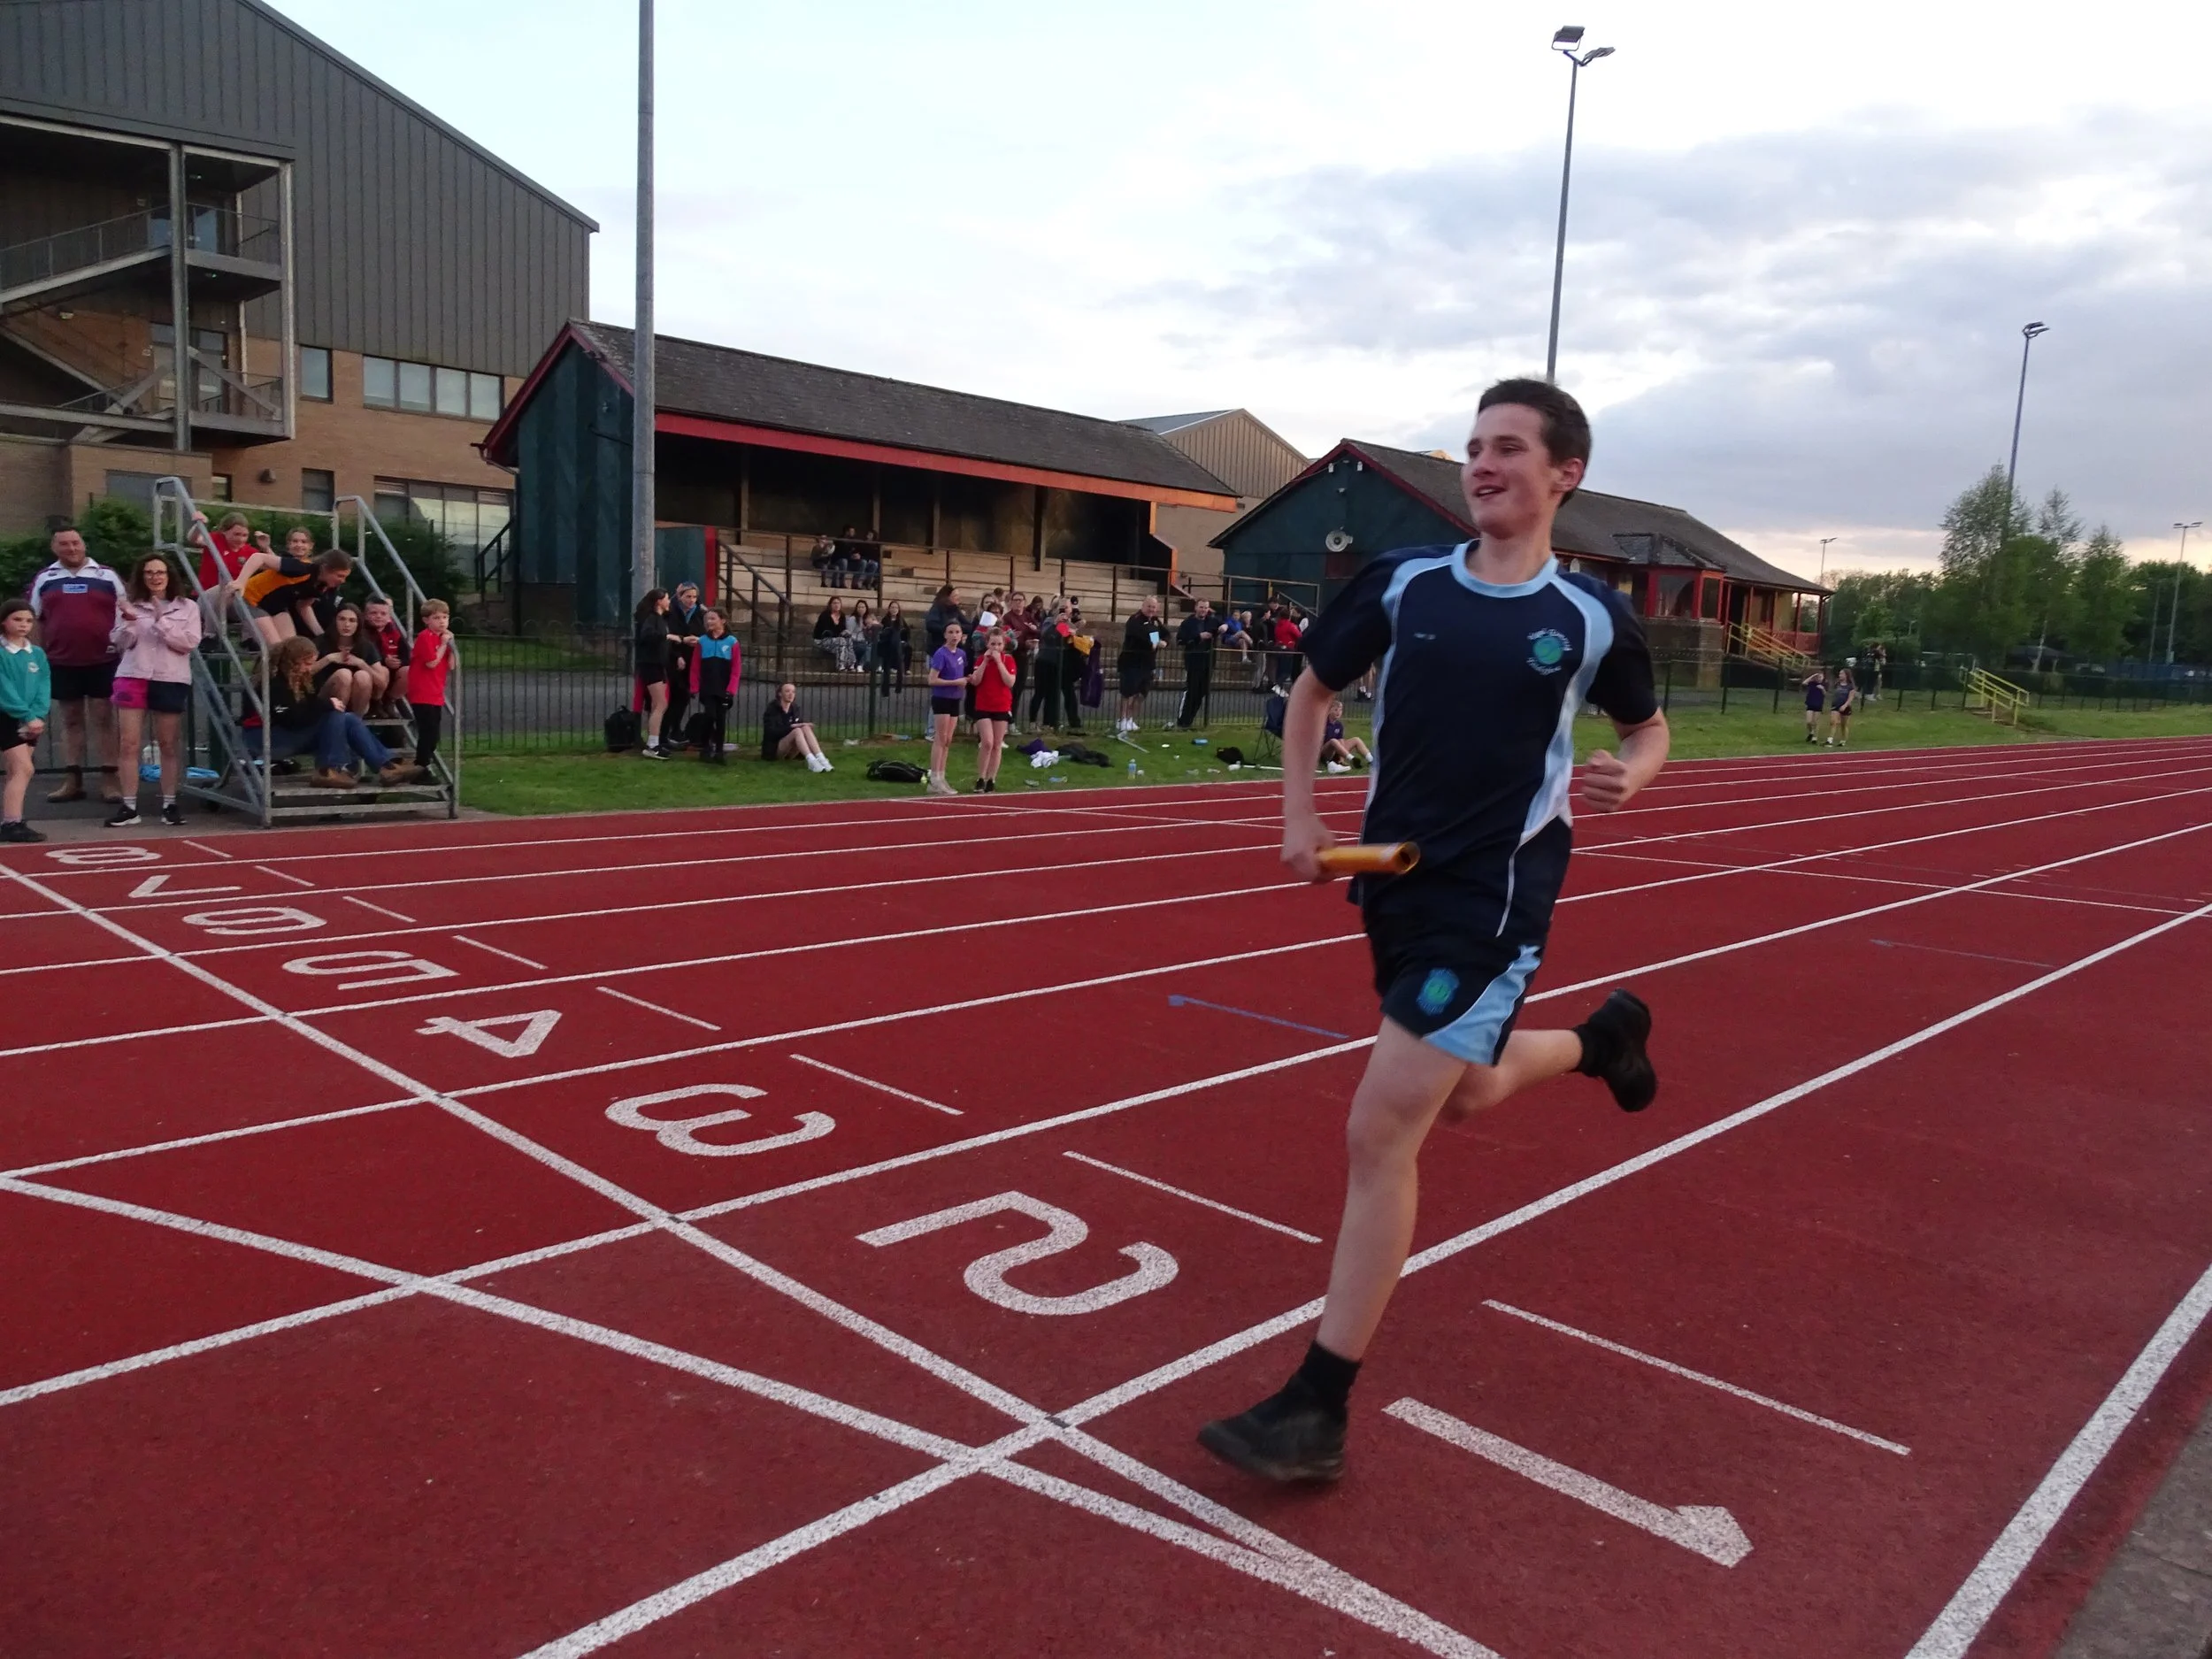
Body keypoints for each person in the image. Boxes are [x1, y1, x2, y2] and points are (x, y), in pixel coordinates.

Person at [1197, 378, 1670, 1486]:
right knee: (1460, 1091)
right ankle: (1601, 1044)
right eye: (1473, 448)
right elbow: (1310, 692)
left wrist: (1630, 777)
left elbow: (1648, 732)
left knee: (1380, 1131)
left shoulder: (1589, 616)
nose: (1483, 464)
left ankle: (1318, 1406)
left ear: (1566, 474)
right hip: (1392, 883)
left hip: (1494, 899)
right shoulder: (1403, 584)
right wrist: (1303, 815)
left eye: (1509, 448)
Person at [29, 524, 127, 805]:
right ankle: (72, 781)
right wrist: (37, 658)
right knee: (70, 721)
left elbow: (127, 612)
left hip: (104, 660)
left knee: (104, 720)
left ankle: (110, 779)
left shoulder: (107, 575)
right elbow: (34, 618)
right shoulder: (45, 577)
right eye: (64, 544)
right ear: (54, 547)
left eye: (75, 543)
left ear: (83, 544)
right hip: (62, 661)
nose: (71, 548)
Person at [104, 553, 204, 828]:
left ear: (169, 576)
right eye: (149, 573)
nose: (155, 577)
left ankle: (169, 803)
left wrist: (162, 621)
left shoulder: (187, 607)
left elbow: (188, 643)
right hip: (133, 674)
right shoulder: (130, 604)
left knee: (168, 743)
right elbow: (121, 641)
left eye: (160, 572)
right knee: (129, 743)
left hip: (169, 677)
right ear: (142, 577)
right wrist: (128, 622)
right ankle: (129, 806)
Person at [265, 636, 426, 790]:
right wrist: (326, 706)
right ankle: (329, 769)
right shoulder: (274, 683)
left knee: (347, 717)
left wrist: (324, 706)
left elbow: (307, 708)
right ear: (292, 662)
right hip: (268, 736)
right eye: (306, 664)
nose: (309, 669)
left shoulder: (299, 680)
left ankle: (386, 767)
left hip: (292, 731)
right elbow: (290, 719)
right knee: (334, 714)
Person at [231, 534, 350, 647]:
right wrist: (241, 581)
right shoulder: (301, 568)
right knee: (277, 647)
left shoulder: (322, 585)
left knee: (292, 648)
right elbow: (259, 557)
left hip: (275, 606)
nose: (343, 581)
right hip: (252, 599)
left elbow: (303, 606)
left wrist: (320, 635)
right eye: (340, 576)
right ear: (325, 569)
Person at [0, 598, 52, 842]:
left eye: (28, 621)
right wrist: (26, 715)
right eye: (17, 619)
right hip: (8, 716)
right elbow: (4, 689)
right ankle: (12, 823)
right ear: (4, 621)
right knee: (24, 768)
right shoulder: (2, 653)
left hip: (32, 718)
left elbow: (44, 683)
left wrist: (39, 714)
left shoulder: (37, 653)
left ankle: (11, 819)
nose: (23, 625)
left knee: (17, 771)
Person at [405, 599, 454, 772]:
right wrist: (443, 644)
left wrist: (451, 646)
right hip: (422, 692)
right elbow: (432, 662)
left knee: (434, 734)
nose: (442, 621)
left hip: (436, 693)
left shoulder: (442, 638)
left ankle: (422, 764)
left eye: (445, 617)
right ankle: (421, 765)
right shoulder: (425, 637)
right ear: (427, 620)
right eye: (436, 618)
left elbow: (451, 665)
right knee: (427, 731)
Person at [968, 625, 1016, 792]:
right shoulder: (981, 660)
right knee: (987, 742)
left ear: (1003, 645)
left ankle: (991, 779)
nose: (996, 648)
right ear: (987, 644)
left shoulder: (1008, 660)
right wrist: (986, 662)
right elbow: (975, 681)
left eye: (999, 644)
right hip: (983, 704)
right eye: (993, 644)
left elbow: (1010, 682)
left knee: (997, 744)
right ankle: (981, 776)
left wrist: (998, 661)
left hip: (1001, 705)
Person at [925, 619, 968, 797]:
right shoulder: (940, 654)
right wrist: (954, 682)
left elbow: (961, 674)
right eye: (950, 632)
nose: (954, 636)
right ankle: (935, 778)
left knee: (948, 740)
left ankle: (941, 776)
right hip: (941, 698)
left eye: (957, 632)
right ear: (945, 635)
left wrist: (966, 680)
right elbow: (932, 680)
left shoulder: (961, 654)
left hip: (955, 699)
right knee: (940, 739)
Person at [311, 603, 378, 716]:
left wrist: (361, 664)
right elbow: (303, 672)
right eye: (342, 619)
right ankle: (339, 720)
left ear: (358, 624)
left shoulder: (366, 645)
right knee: (344, 674)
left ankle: (357, 720)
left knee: (363, 675)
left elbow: (381, 682)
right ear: (335, 621)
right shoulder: (321, 641)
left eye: (352, 621)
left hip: (358, 701)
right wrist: (328, 659)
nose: (346, 625)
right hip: (325, 698)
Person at [664, 580, 709, 748]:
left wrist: (699, 640)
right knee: (675, 696)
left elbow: (706, 631)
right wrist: (677, 654)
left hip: (693, 659)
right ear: (680, 596)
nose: (692, 600)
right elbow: (668, 635)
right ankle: (668, 731)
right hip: (674, 659)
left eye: (694, 597)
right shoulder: (670, 612)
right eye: (688, 596)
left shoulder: (700, 612)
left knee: (684, 698)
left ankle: (676, 730)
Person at [695, 608, 741, 762]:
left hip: (723, 687)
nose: (709, 622)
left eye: (713, 619)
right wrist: (694, 686)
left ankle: (719, 751)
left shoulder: (732, 642)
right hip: (708, 687)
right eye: (707, 619)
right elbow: (695, 666)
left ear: (723, 621)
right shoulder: (702, 641)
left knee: (720, 719)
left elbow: (736, 669)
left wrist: (731, 689)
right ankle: (706, 747)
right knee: (710, 716)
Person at [1116, 595, 1166, 733]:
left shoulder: (1155, 622)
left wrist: (1162, 641)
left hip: (1147, 663)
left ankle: (1131, 719)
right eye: (1149, 606)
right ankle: (1122, 719)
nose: (1151, 609)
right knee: (1128, 692)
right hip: (1131, 662)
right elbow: (1139, 634)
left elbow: (1164, 633)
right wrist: (1154, 641)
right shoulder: (1135, 619)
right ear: (1143, 606)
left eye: (1154, 607)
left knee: (1141, 693)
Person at [634, 588, 672, 758]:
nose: (669, 601)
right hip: (652, 665)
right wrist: (668, 636)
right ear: (658, 601)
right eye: (667, 599)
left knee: (660, 704)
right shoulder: (652, 618)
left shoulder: (659, 619)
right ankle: (652, 745)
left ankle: (654, 742)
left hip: (657, 664)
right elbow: (648, 636)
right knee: (660, 704)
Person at [762, 680, 832, 771]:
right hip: (775, 748)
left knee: (805, 727)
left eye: (793, 692)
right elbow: (771, 733)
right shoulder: (772, 709)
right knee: (797, 730)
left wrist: (801, 725)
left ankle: (821, 759)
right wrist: (791, 727)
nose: (791, 694)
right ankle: (811, 761)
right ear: (780, 694)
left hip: (792, 750)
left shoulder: (794, 708)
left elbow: (799, 724)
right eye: (787, 691)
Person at [1175, 598, 1221, 729]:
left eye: (1206, 608)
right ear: (1196, 608)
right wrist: (1198, 637)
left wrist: (1225, 626)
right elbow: (1180, 640)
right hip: (1193, 660)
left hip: (1208, 660)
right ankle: (1183, 721)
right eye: (1201, 607)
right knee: (1192, 690)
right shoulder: (1188, 623)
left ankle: (1188, 721)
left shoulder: (1211, 620)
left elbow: (1160, 632)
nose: (1204, 610)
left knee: (1202, 691)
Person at [360, 595, 410, 715]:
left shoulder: (395, 633)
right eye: (374, 613)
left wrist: (400, 663)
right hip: (370, 675)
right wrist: (384, 661)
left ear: (389, 617)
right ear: (365, 615)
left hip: (392, 675)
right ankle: (375, 703)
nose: (379, 616)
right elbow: (363, 656)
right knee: (382, 670)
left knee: (410, 670)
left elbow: (407, 656)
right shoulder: (361, 632)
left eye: (383, 614)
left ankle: (390, 701)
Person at [1032, 596, 1070, 730]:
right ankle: (1032, 721)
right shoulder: (1049, 620)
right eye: (1063, 608)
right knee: (1040, 692)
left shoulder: (1065, 623)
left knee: (1053, 693)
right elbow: (1045, 635)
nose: (1065, 611)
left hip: (1057, 661)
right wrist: (1055, 623)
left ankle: (1050, 722)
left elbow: (1065, 638)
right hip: (1044, 660)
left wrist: (1072, 628)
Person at [1062, 604, 1093, 733]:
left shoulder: (1152, 622)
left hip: (1073, 662)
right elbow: (1065, 634)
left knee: (1141, 692)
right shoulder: (1058, 622)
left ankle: (1128, 719)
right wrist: (1076, 628)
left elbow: (1156, 633)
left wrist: (1158, 641)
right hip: (1064, 661)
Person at [873, 599, 912, 695]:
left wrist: (903, 641)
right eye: (892, 607)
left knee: (902, 647)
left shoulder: (901, 620)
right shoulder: (885, 620)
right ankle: (885, 691)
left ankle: (898, 687)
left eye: (896, 607)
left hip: (898, 646)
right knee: (886, 668)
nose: (894, 609)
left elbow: (907, 634)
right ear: (889, 609)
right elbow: (882, 634)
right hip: (887, 646)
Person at [1318, 700, 1372, 771]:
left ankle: (1371, 760)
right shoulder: (1323, 723)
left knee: (1356, 739)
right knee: (1333, 741)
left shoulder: (1339, 725)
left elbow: (1341, 740)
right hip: (1325, 752)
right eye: (1336, 710)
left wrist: (1341, 758)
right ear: (1329, 710)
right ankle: (1352, 759)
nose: (1338, 712)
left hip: (1337, 751)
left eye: (1340, 710)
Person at [812, 595, 856, 672]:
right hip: (823, 639)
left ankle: (851, 664)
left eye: (838, 603)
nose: (837, 605)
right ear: (830, 605)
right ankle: (841, 666)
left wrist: (845, 632)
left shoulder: (842, 615)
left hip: (836, 640)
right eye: (834, 603)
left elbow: (842, 629)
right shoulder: (825, 615)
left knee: (848, 640)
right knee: (841, 641)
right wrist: (840, 633)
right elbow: (826, 631)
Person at [923, 585, 964, 657]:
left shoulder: (956, 610)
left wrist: (957, 629)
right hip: (937, 648)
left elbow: (968, 625)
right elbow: (930, 625)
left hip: (955, 649)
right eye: (955, 596)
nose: (958, 598)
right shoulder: (937, 608)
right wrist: (947, 628)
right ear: (948, 597)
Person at [1827, 665, 1856, 748]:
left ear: (1846, 675)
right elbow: (1833, 693)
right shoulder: (1837, 684)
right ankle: (1830, 740)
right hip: (1836, 705)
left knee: (1844, 725)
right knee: (1833, 722)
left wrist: (1845, 705)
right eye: (1839, 674)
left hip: (1845, 706)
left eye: (1841, 674)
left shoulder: (1850, 686)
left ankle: (1843, 741)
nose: (1840, 675)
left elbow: (1851, 697)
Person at [1801, 668, 1828, 743]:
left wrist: (1822, 689)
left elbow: (1826, 694)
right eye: (1818, 677)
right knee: (1809, 722)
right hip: (1810, 704)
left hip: (1818, 705)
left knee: (1815, 722)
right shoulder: (1812, 683)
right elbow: (1804, 683)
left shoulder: (1824, 684)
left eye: (1821, 677)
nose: (1819, 679)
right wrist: (1812, 676)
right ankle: (1811, 732)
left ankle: (1815, 738)